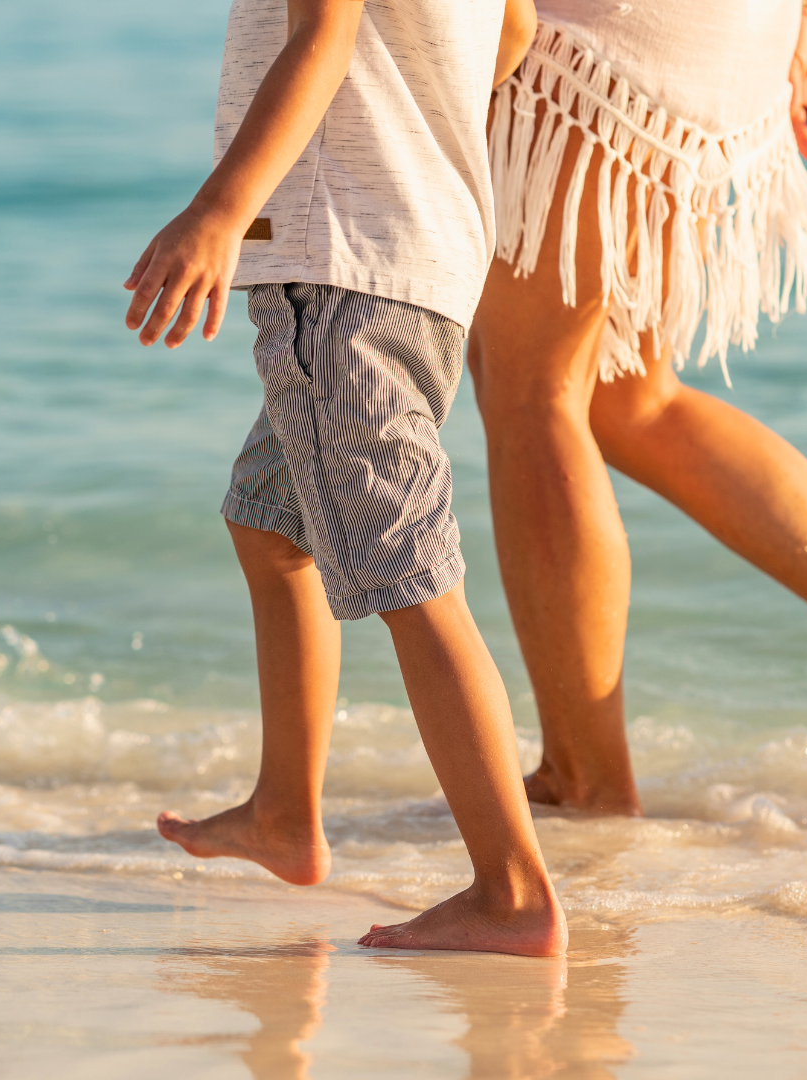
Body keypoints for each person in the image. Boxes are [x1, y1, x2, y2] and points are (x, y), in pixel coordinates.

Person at [469, 0, 807, 830]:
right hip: (729, 27)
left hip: (592, 36)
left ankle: (586, 775)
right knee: (627, 399)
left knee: (533, 390)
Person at [125, 0, 566, 954]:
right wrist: (409, 107)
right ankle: (285, 813)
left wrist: (220, 209)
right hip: (428, 253)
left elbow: (323, 35)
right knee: (271, 521)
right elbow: (518, 31)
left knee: (408, 575)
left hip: (339, 263)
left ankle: (513, 892)